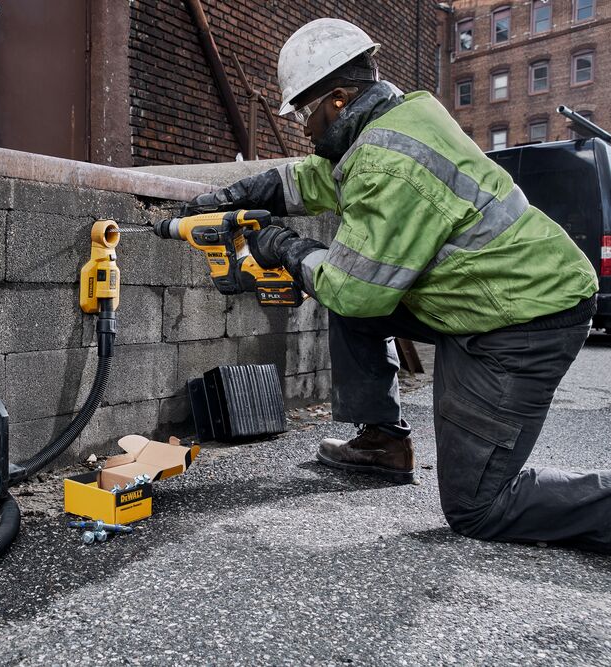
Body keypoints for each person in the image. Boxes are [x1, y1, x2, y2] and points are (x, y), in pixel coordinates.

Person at [184, 18, 610, 552]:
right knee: (352, 300)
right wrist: (248, 190)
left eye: (304, 113)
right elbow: (321, 178)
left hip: (524, 320)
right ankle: (382, 442)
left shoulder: (388, 162)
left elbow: (355, 290)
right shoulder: (402, 119)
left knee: (480, 507)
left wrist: (284, 248)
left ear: (337, 100)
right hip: (484, 298)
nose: (303, 129)